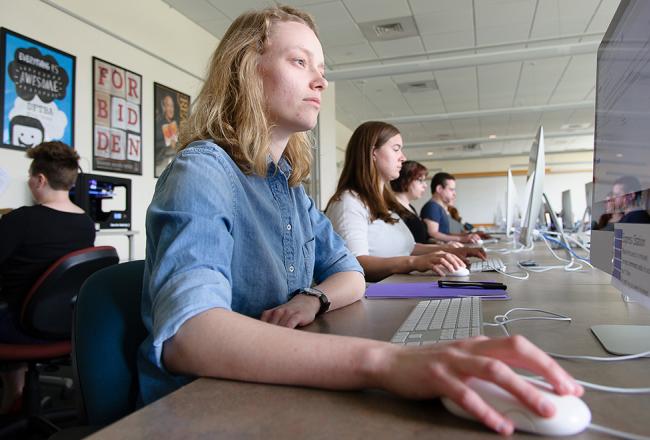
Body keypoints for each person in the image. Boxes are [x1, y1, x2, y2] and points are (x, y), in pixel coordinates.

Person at [139, 6, 583, 436]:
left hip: (272, 388)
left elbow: (349, 271)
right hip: (204, 405)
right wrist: (386, 362)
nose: (321, 79)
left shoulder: (289, 190)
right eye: (299, 61)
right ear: (245, 70)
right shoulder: (203, 172)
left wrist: (313, 298)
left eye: (322, 67)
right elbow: (189, 334)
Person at [0, 141, 95, 414]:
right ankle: (16, 393)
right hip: (66, 325)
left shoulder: (21, 220)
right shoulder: (86, 224)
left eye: (31, 177)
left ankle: (13, 393)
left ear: (40, 179)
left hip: (19, 325)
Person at [326, 122, 485, 282]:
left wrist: (447, 250)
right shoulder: (349, 202)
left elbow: (407, 248)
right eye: (396, 149)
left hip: (400, 285)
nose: (403, 157)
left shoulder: (383, 202)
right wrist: (414, 263)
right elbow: (356, 264)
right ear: (373, 153)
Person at [421, 172, 481, 243]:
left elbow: (445, 234)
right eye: (451, 189)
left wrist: (466, 235)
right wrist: (461, 239)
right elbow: (434, 234)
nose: (454, 193)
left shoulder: (439, 208)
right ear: (439, 189)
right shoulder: (432, 207)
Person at [390, 160, 430, 244]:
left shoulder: (410, 207)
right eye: (420, 180)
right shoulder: (392, 209)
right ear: (405, 180)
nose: (425, 185)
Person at [154, 94, 180, 176]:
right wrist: (167, 143)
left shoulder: (175, 125)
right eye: (168, 106)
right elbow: (154, 144)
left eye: (172, 106)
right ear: (164, 108)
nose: (171, 109)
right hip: (161, 165)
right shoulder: (158, 124)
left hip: (173, 166)